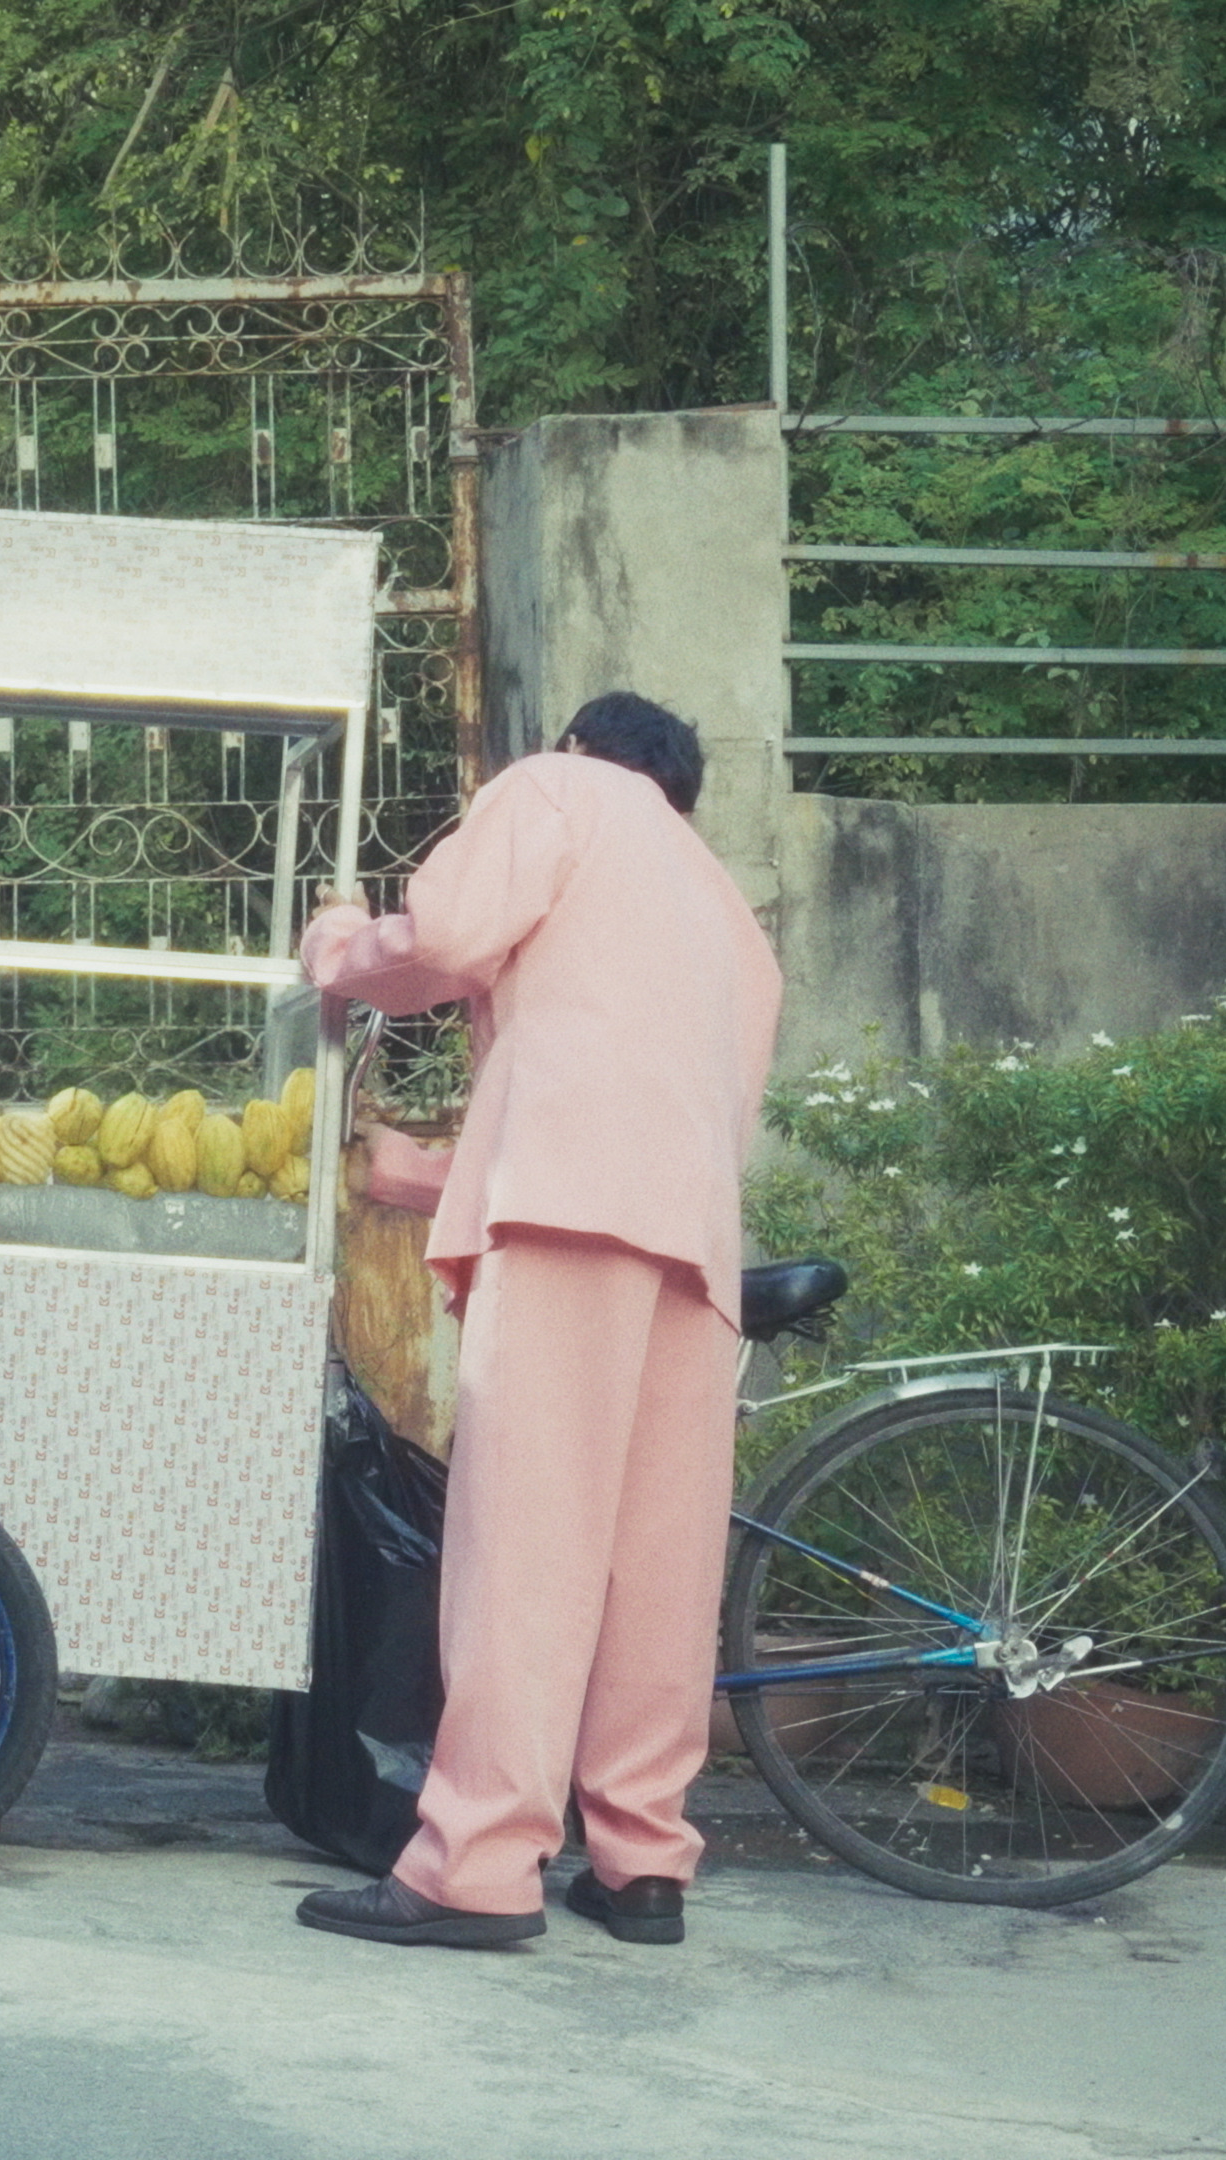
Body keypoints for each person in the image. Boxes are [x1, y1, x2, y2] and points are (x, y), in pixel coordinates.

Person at [290, 691, 781, 1949]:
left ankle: (478, 1864)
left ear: (581, 747)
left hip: (567, 1226)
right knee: (653, 1564)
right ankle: (641, 1861)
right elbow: (651, 1097)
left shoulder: (559, 792)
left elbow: (448, 938)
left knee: (528, 1543)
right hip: (695, 1252)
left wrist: (343, 947)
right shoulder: (726, 910)